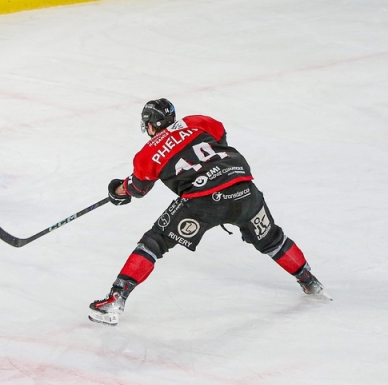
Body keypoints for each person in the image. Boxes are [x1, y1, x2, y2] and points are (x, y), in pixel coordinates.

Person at [88, 98, 328, 326]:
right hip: (244, 188)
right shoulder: (198, 122)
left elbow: (138, 188)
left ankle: (116, 299)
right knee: (273, 238)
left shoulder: (148, 153)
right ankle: (310, 281)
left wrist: (118, 190)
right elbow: (220, 137)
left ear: (150, 125)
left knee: (154, 242)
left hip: (203, 200)